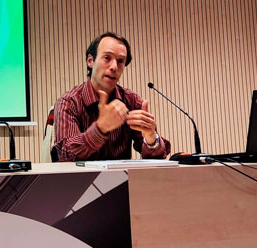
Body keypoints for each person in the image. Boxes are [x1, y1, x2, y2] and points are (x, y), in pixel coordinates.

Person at [54, 32, 171, 161]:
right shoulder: (69, 102)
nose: (114, 67)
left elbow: (158, 157)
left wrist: (151, 139)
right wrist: (100, 128)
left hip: (121, 174)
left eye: (120, 61)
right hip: (82, 175)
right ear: (90, 61)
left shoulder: (131, 100)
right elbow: (66, 154)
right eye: (107, 58)